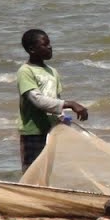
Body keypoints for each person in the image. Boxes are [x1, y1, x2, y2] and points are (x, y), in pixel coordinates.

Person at [16, 28, 90, 171]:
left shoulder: (52, 72)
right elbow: (37, 100)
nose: (50, 47)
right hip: (33, 131)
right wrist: (71, 104)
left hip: (52, 130)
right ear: (32, 49)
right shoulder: (25, 71)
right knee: (32, 169)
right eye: (44, 44)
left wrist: (63, 119)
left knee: (50, 169)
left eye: (49, 43)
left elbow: (55, 99)